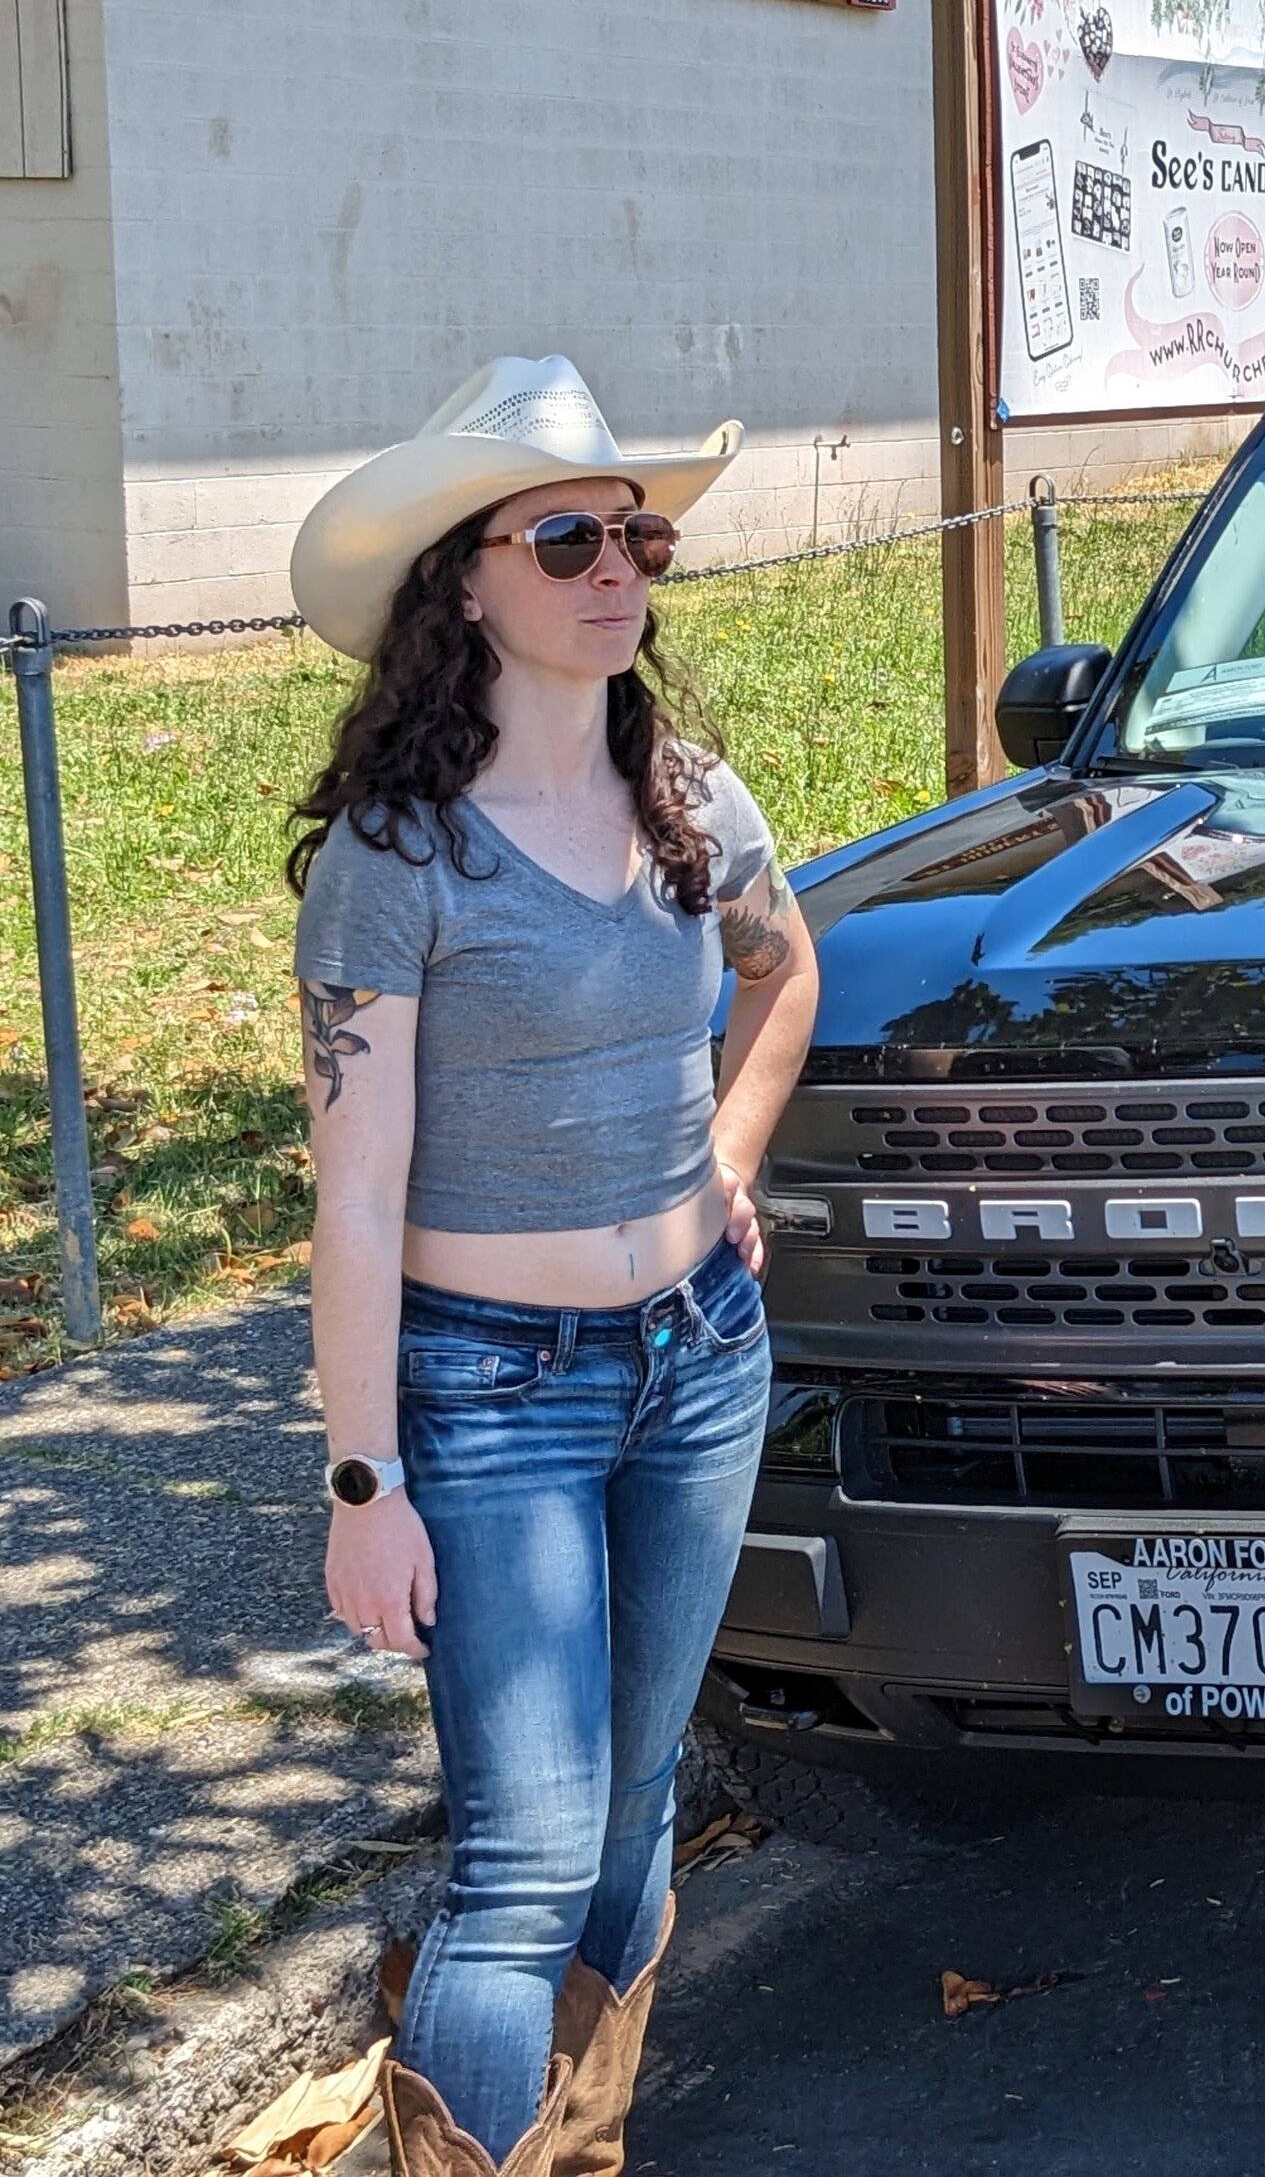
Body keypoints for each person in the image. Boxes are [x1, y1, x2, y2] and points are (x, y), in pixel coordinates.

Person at [283, 357, 818, 2176]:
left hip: (701, 1358)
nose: (619, 568)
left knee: (628, 1814)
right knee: (522, 1854)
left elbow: (785, 971)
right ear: (463, 582)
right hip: (488, 1392)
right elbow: (351, 1197)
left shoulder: (686, 794)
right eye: (570, 535)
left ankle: (572, 2147)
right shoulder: (395, 853)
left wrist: (725, 1163)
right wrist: (367, 1480)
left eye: (637, 535)